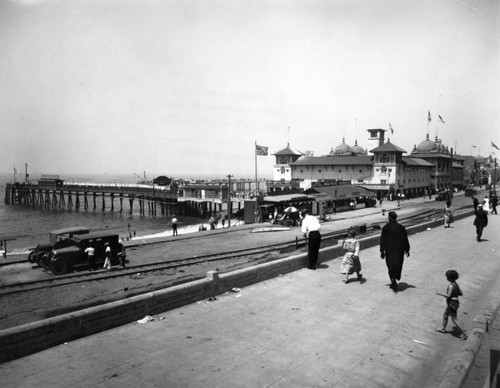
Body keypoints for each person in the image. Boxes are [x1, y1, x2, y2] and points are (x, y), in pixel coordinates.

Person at [380, 211, 410, 292]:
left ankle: (393, 280)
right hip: (399, 251)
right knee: (398, 265)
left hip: (389, 251)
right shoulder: (401, 227)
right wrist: (407, 250)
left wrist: (382, 251)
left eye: (388, 217)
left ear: (390, 218)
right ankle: (394, 279)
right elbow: (405, 239)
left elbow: (382, 240)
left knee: (390, 266)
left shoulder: (386, 227)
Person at [435, 270, 467, 339]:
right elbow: (460, 293)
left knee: (454, 319)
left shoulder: (451, 286)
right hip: (455, 303)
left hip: (452, 304)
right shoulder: (456, 284)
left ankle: (464, 333)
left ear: (449, 278)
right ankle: (443, 328)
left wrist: (439, 293)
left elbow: (448, 295)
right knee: (445, 315)